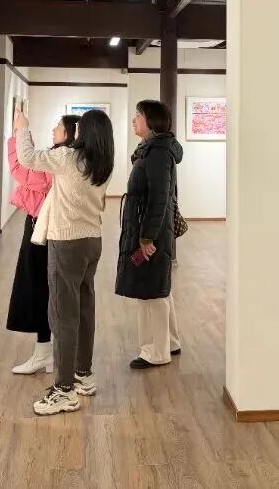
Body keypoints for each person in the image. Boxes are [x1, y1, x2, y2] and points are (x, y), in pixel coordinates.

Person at [14, 104, 114, 417]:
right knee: (84, 309)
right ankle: (83, 374)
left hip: (67, 242)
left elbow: (27, 157)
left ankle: (64, 390)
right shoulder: (103, 164)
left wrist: (22, 127)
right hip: (92, 241)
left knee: (62, 315)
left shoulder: (68, 158)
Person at [5, 114, 80, 375]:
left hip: (44, 229)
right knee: (47, 289)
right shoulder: (67, 158)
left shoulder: (60, 160)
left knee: (39, 289)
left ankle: (45, 354)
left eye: (59, 126)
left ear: (69, 134)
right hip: (48, 227)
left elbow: (21, 169)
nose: (54, 129)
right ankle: (49, 353)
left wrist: (21, 131)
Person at [117, 100, 183, 369]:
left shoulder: (157, 153)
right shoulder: (153, 149)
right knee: (158, 287)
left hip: (151, 231)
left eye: (138, 115)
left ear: (151, 120)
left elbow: (158, 199)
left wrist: (146, 238)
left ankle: (155, 351)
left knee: (150, 290)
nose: (134, 120)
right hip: (151, 228)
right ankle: (170, 342)